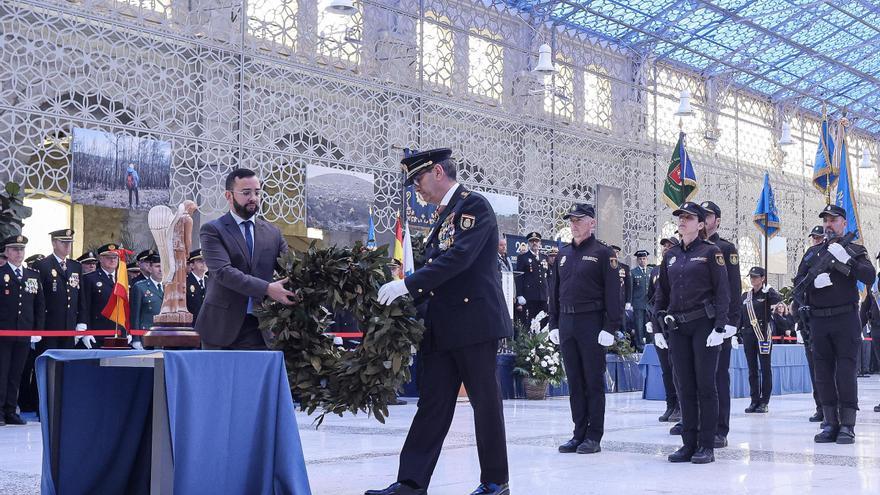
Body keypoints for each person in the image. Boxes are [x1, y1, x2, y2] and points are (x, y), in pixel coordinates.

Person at [370, 148, 511, 495]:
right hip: (443, 326)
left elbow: (460, 259)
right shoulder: (443, 215)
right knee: (431, 404)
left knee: (485, 404)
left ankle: (495, 482)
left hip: (474, 324)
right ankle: (411, 482)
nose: (417, 189)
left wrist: (406, 284)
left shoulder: (472, 206)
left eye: (418, 180)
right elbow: (439, 275)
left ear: (436, 172)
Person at [654, 202, 730, 464]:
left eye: (688, 218)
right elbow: (661, 294)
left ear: (700, 224)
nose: (682, 221)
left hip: (703, 326)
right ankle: (688, 443)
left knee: (705, 386)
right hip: (678, 327)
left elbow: (723, 291)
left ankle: (706, 445)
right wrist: (657, 327)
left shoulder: (712, 252)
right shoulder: (671, 255)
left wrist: (720, 326)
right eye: (680, 217)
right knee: (684, 385)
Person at [795, 204, 875, 444]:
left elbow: (869, 276)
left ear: (843, 222)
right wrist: (812, 285)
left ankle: (847, 425)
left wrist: (847, 260)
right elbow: (799, 283)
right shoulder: (812, 253)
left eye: (833, 220)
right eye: (826, 220)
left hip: (845, 319)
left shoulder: (855, 249)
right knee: (823, 374)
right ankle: (830, 422)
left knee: (845, 372)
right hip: (819, 320)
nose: (829, 224)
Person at [195, 168, 296, 350]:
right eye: (246, 192)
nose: (253, 198)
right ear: (228, 195)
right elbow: (224, 273)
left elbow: (291, 270)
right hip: (220, 329)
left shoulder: (273, 233)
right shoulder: (212, 230)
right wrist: (267, 288)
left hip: (261, 328)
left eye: (257, 192)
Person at [549, 203, 620, 455]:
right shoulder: (563, 253)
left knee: (592, 381)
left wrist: (610, 326)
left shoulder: (604, 253)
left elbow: (614, 293)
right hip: (567, 323)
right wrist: (553, 323)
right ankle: (578, 433)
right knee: (575, 382)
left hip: (591, 322)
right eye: (571, 220)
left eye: (579, 219)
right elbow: (554, 291)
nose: (574, 224)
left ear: (592, 222)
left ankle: (593, 435)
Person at [697, 200, 740, 449]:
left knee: (718, 377)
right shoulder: (691, 248)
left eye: (709, 215)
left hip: (718, 321)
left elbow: (734, 287)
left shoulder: (725, 248)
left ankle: (719, 428)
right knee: (697, 376)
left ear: (717, 221)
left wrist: (731, 322)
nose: (704, 218)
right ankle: (698, 422)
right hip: (697, 321)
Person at [0, 235, 45, 426]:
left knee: (16, 374)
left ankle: (11, 410)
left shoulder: (32, 275)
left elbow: (39, 305)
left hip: (24, 332)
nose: (19, 253)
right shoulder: (1, 273)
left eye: (21, 250)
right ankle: (0, 411)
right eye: (15, 249)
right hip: (4, 333)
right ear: (7, 252)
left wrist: (37, 330)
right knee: (2, 373)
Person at [792, 225, 827, 423]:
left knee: (828, 367)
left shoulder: (830, 251)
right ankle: (820, 406)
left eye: (818, 237)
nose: (816, 240)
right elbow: (799, 280)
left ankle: (832, 407)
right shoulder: (809, 254)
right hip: (808, 317)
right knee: (815, 367)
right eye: (813, 237)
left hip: (826, 314)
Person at [740, 266, 782, 413]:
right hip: (748, 335)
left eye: (756, 277)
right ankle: (754, 400)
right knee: (752, 370)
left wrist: (770, 290)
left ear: (763, 278)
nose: (753, 279)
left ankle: (764, 401)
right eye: (751, 277)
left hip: (763, 335)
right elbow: (741, 315)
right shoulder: (746, 296)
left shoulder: (767, 294)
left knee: (765, 368)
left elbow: (779, 300)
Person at [647, 237, 681, 423]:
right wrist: (650, 320)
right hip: (659, 322)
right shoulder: (655, 270)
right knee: (665, 368)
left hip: (675, 321)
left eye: (670, 246)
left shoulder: (679, 266)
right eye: (664, 246)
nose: (666, 249)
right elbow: (650, 298)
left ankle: (680, 406)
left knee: (677, 367)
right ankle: (670, 404)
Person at [75, 243, 123, 348]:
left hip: (119, 333)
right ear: (100, 259)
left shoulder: (123, 279)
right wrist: (87, 331)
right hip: (98, 333)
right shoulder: (90, 279)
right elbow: (85, 307)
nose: (112, 260)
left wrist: (128, 331)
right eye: (108, 257)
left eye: (115, 257)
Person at [515, 232, 549, 328]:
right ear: (528, 243)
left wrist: (549, 293)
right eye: (532, 241)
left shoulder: (544, 257)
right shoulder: (523, 258)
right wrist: (519, 295)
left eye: (536, 241)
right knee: (530, 322)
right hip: (530, 296)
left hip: (543, 296)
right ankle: (531, 342)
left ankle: (542, 343)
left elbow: (548, 277)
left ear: (540, 243)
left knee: (543, 322)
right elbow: (519, 277)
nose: (534, 243)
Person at [130, 253, 163, 341]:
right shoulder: (140, 287)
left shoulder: (170, 286)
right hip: (146, 335)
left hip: (165, 334)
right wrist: (136, 339)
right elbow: (135, 315)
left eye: (163, 266)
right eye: (157, 266)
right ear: (150, 268)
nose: (161, 270)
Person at [631, 250, 651, 351]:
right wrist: (629, 303)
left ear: (647, 259)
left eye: (644, 259)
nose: (642, 261)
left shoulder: (650, 271)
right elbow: (631, 289)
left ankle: (649, 345)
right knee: (639, 326)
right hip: (638, 303)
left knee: (649, 326)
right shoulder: (633, 272)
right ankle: (640, 346)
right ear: (637, 260)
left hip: (649, 304)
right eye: (640, 259)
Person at [186, 249, 208, 324]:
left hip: (209, 325)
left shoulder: (210, 281)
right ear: (192, 265)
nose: (204, 263)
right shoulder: (186, 283)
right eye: (200, 261)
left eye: (205, 260)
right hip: (193, 325)